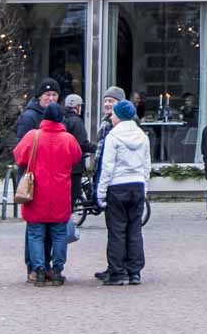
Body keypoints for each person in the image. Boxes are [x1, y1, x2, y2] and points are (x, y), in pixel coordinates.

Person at [13, 101, 82, 287]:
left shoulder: (33, 136)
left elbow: (18, 155)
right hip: (60, 194)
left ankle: (39, 270)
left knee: (36, 234)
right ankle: (57, 271)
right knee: (59, 234)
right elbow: (77, 157)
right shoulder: (68, 139)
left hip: (37, 194)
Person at [95, 99, 150, 285]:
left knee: (117, 230)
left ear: (119, 115)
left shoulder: (113, 137)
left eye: (114, 114)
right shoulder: (142, 136)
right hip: (137, 185)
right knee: (135, 229)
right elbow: (146, 165)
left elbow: (107, 167)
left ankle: (117, 272)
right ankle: (134, 271)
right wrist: (145, 187)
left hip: (117, 186)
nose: (111, 116)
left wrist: (100, 192)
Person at [89, 86, 126, 282]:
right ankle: (120, 267)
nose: (107, 104)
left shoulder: (117, 127)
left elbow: (107, 157)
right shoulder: (106, 123)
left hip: (114, 180)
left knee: (117, 228)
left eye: (111, 101)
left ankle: (118, 268)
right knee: (119, 228)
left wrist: (101, 180)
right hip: (116, 179)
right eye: (105, 100)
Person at [61, 94, 93, 211]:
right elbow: (82, 143)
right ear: (77, 106)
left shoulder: (62, 119)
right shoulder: (77, 121)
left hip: (64, 164)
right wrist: (94, 148)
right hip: (75, 165)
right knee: (73, 195)